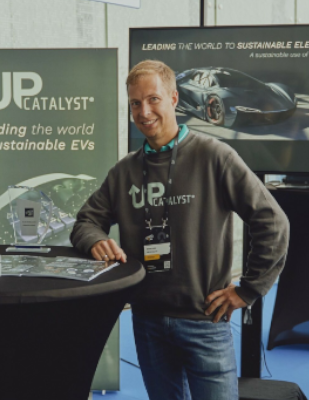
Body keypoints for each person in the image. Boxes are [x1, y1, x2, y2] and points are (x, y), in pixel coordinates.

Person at [70, 60, 289, 400]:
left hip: (205, 321)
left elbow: (272, 222)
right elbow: (85, 221)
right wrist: (96, 239)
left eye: (153, 99)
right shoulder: (124, 170)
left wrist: (248, 291)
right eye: (135, 103)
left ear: (174, 99)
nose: (144, 111)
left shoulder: (215, 156)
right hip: (147, 322)